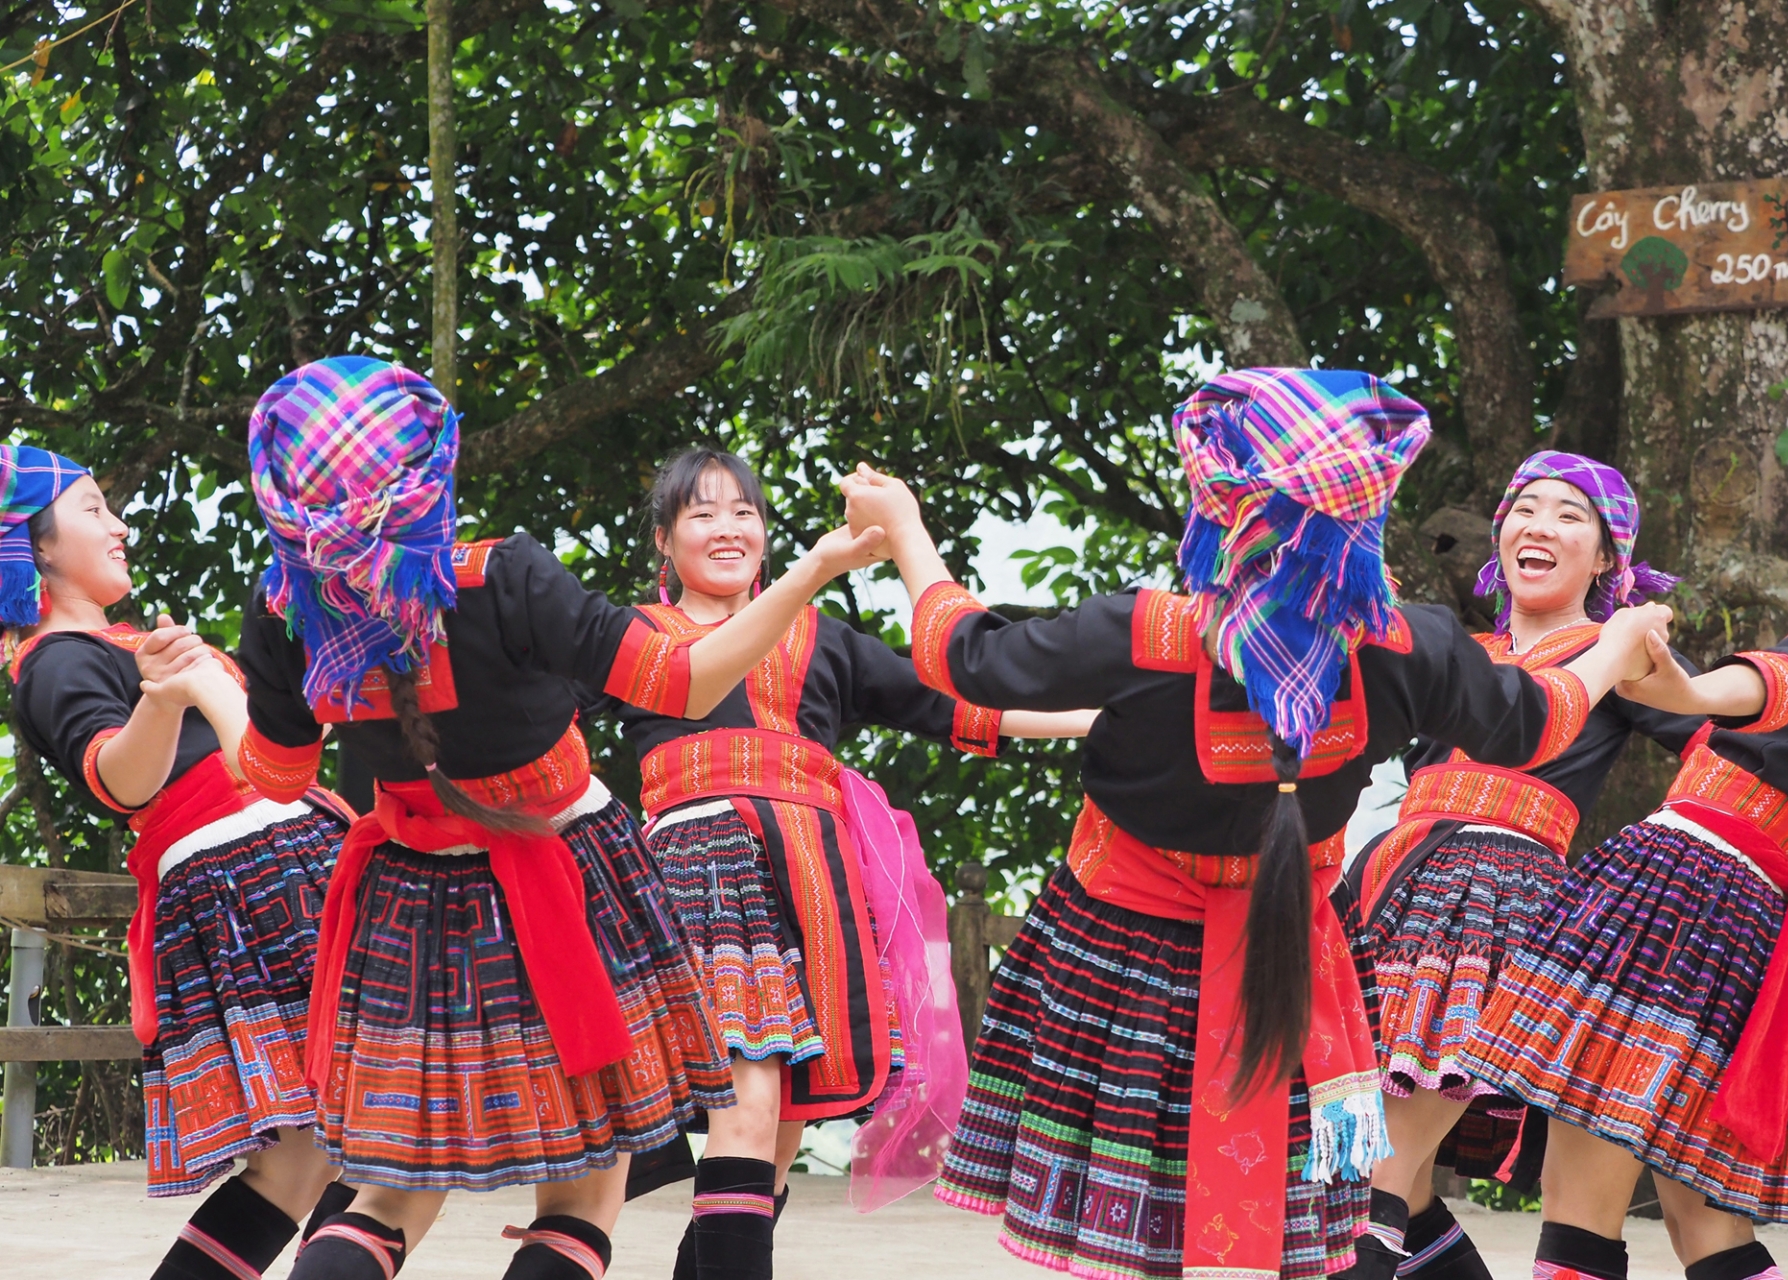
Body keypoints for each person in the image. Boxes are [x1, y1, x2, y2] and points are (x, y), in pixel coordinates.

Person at [840, 368, 1670, 1280]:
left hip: (1119, 955)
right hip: (1295, 956)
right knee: (1298, 1218)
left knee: (1142, 1222)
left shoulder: (1144, 634)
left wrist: (907, 528)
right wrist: (1615, 647)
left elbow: (961, 656)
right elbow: (1538, 722)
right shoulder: (1406, 647)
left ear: (1221, 505)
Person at [230, 357, 888, 1280]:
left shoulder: (285, 613)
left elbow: (276, 773)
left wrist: (211, 690)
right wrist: (814, 568)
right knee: (583, 1195)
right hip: (569, 885)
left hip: (404, 902)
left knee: (386, 1196)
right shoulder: (501, 575)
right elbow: (684, 682)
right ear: (424, 470)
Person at [605, 444, 1095, 1280]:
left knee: (777, 1132)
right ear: (663, 539)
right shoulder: (632, 638)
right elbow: (526, 719)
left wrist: (1108, 721)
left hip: (815, 884)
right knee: (750, 1111)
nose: (727, 529)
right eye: (702, 513)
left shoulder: (821, 638)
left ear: (765, 533)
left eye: (744, 512)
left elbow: (958, 702)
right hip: (704, 873)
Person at [1457, 468, 1788, 1280]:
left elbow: (1785, 685)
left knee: (1580, 1202)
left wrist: (1687, 684)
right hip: (1753, 911)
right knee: (1705, 1225)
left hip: (1690, 889)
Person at [1336, 452, 1701, 1280]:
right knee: (1397, 1182)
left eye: (1570, 515)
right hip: (1386, 897)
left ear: (1607, 558)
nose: (1540, 525)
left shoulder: (1617, 654)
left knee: (1371, 1168)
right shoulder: (1458, 651)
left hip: (1490, 907)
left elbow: (1731, 745)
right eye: (1526, 509)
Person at [1, 444, 358, 1280]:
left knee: (310, 1158)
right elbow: (118, 779)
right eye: (93, 508)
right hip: (258, 876)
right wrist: (166, 699)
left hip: (271, 861)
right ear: (36, 544)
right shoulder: (55, 658)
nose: (119, 524)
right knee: (375, 1125)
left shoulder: (118, 644)